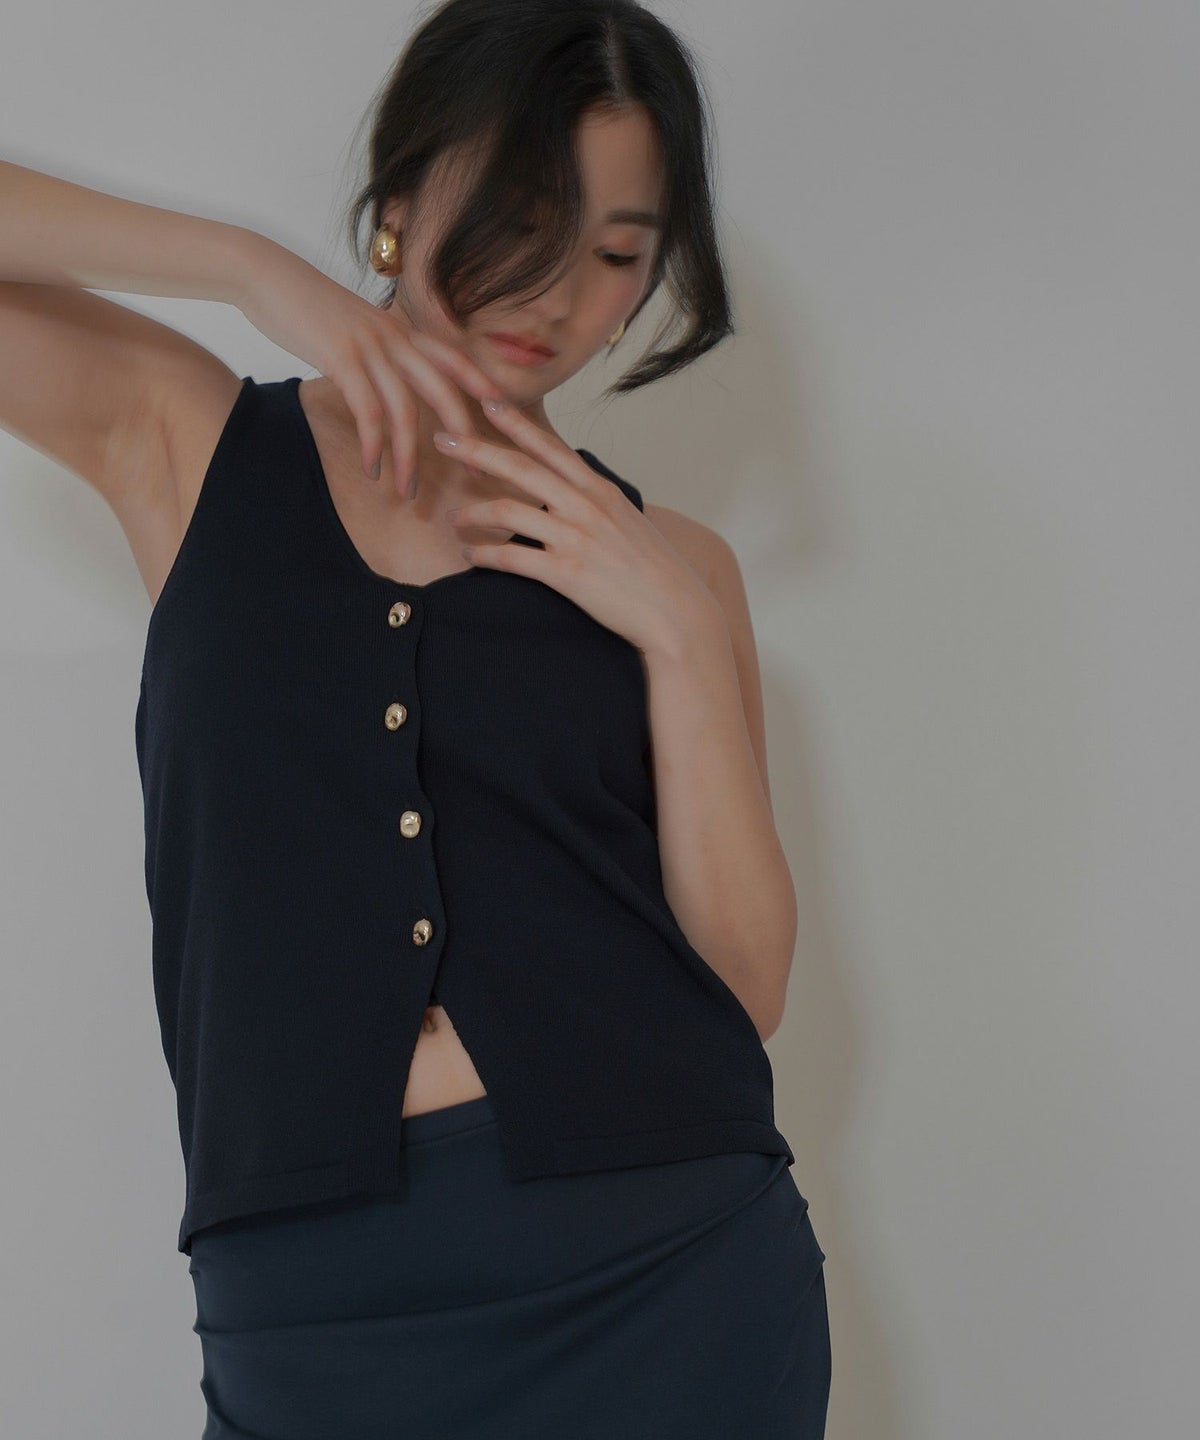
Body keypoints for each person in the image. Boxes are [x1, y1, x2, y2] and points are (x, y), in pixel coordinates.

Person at [0, 1, 830, 1434]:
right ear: (398, 200)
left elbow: (744, 987)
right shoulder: (188, 445)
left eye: (617, 254)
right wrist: (253, 268)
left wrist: (685, 638)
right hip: (313, 1302)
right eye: (523, 215)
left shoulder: (678, 567)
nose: (558, 292)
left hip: (667, 1267)